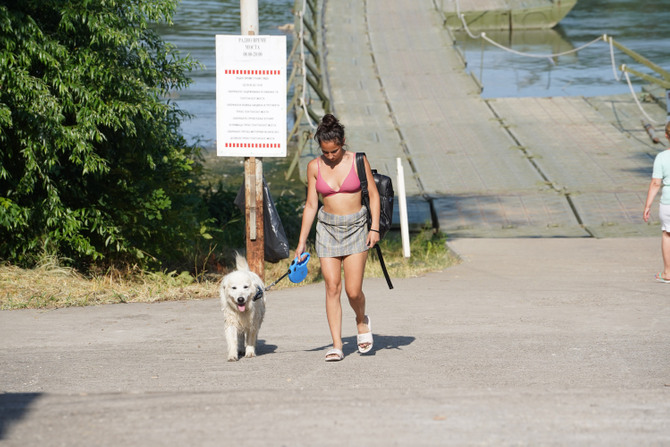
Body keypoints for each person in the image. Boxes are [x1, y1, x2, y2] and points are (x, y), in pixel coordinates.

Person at [295, 114, 381, 361]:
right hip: (327, 230)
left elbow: (373, 196)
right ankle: (337, 345)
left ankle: (361, 320)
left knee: (353, 291)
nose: (330, 157)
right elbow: (311, 205)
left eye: (334, 151)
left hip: (356, 227)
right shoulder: (314, 167)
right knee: (332, 287)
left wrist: (374, 228)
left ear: (342, 142)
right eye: (326, 152)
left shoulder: (358, 161)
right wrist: (301, 243)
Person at [643, 121, 670, 283]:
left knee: (667, 235)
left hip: (668, 203)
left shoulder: (661, 157)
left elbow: (655, 183)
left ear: (666, 136)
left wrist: (647, 206)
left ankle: (668, 272)